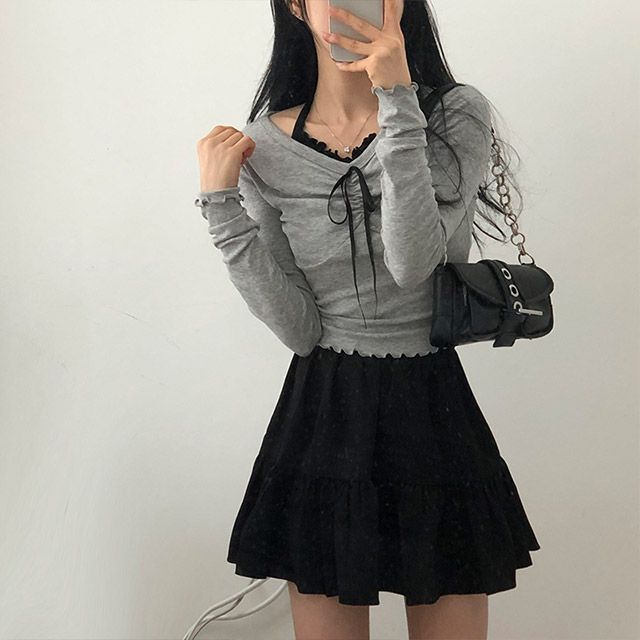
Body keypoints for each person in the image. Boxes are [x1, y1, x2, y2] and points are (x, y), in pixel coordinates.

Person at [195, 0, 540, 637]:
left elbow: (412, 265)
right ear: (295, 5)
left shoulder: (455, 114)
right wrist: (221, 207)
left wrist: (399, 100)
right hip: (324, 415)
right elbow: (299, 330)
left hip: (432, 409)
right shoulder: (263, 147)